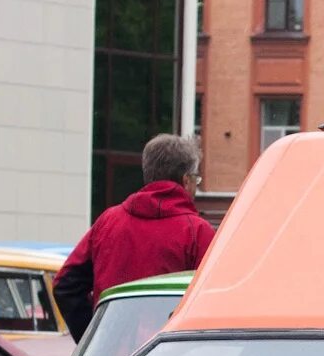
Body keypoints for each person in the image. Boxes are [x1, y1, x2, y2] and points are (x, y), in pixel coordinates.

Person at [54, 134, 215, 338]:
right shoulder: (198, 233)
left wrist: (93, 339)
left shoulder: (108, 221)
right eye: (196, 180)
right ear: (186, 180)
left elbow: (65, 285)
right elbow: (212, 303)